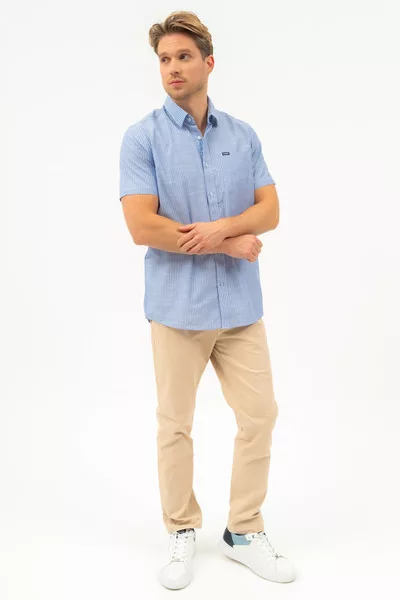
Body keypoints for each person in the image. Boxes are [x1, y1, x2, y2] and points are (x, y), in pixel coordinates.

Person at [119, 10, 296, 590]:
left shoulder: (241, 135)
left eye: (183, 57)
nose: (172, 68)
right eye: (164, 60)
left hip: (240, 308)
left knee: (261, 415)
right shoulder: (142, 137)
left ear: (208, 62)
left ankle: (243, 529)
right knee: (175, 424)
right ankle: (181, 528)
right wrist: (230, 239)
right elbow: (143, 226)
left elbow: (270, 210)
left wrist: (223, 229)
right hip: (177, 308)